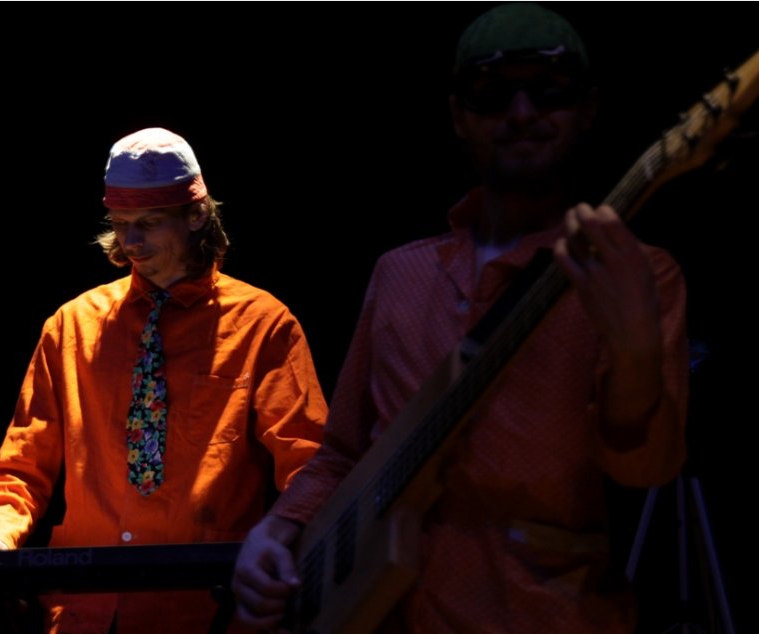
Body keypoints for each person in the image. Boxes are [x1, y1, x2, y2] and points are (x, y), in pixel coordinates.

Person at [231, 3, 689, 633]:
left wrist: (636, 351)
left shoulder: (634, 274)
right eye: (493, 93)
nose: (521, 112)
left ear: (588, 108)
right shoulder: (399, 274)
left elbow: (646, 470)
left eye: (549, 90)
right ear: (458, 115)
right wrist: (278, 529)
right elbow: (342, 454)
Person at [0, 127, 328, 633]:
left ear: (197, 214)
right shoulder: (72, 325)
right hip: (83, 612)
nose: (131, 242)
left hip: (206, 611)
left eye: (148, 223)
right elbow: (22, 463)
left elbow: (310, 464)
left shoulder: (264, 324)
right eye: (120, 224)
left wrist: (285, 543)